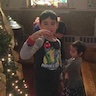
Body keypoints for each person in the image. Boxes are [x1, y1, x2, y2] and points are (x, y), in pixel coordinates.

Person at [20, 10, 62, 96]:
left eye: (52, 23)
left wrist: (60, 79)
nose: (49, 27)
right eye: (45, 23)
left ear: (57, 25)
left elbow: (58, 61)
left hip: (55, 80)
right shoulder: (39, 41)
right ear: (40, 25)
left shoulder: (58, 42)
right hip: (42, 82)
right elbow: (24, 55)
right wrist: (32, 38)